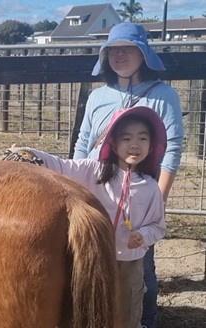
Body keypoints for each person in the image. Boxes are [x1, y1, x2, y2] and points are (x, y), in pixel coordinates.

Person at [7, 105, 167, 328]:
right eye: (126, 137)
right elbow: (62, 166)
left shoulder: (150, 188)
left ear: (151, 145)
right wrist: (30, 153)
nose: (135, 144)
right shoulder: (94, 171)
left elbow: (158, 226)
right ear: (113, 142)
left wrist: (143, 235)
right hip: (92, 259)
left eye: (142, 138)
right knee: (83, 311)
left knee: (127, 315)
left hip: (129, 264)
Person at [73, 22, 184, 328]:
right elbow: (83, 143)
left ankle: (144, 321)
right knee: (92, 260)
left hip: (140, 191)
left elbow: (172, 148)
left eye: (127, 49)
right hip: (98, 189)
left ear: (143, 53)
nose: (119, 55)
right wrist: (75, 192)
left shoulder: (164, 95)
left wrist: (157, 199)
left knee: (140, 265)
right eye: (113, 50)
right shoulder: (97, 97)